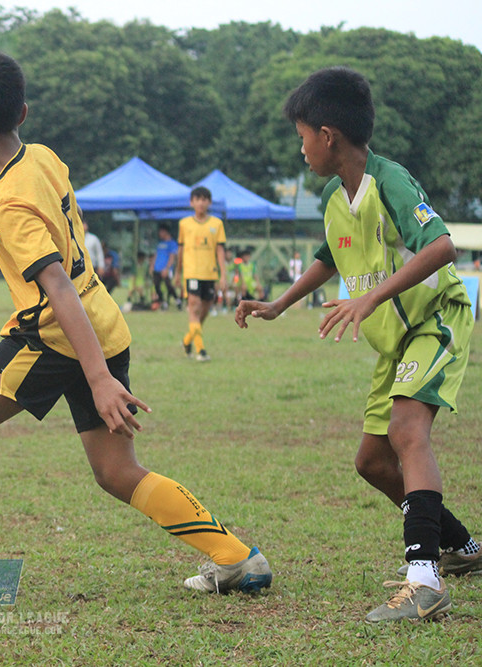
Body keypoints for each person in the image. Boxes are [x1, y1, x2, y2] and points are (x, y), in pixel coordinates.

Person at [0, 51, 272, 614]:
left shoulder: (11, 200)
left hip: (56, 337)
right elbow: (41, 214)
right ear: (23, 112)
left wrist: (99, 379)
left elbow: (56, 284)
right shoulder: (42, 159)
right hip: (102, 324)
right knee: (117, 471)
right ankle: (237, 557)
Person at [236, 66, 480, 623]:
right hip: (395, 342)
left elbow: (442, 247)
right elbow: (329, 258)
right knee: (372, 462)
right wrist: (278, 304)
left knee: (407, 433)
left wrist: (369, 298)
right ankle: (462, 547)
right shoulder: (333, 195)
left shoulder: (390, 182)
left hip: (435, 320)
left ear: (327, 136)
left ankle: (425, 581)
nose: (300, 149)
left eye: (301, 136)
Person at [175, 186, 226, 362]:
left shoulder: (217, 224)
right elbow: (181, 250)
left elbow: (220, 251)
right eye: (197, 199)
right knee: (194, 308)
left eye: (204, 199)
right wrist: (177, 273)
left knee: (204, 312)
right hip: (192, 273)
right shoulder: (184, 224)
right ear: (191, 202)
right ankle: (201, 350)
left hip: (210, 274)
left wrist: (223, 275)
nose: (201, 203)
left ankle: (187, 340)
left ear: (209, 202)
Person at [152, 225, 180, 310]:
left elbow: (172, 257)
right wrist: (152, 265)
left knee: (169, 286)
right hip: (157, 268)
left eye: (161, 232)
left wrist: (167, 268)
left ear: (166, 232)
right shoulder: (160, 243)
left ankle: (177, 300)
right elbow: (156, 255)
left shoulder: (172, 243)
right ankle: (163, 302)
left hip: (166, 269)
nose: (159, 234)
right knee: (157, 286)